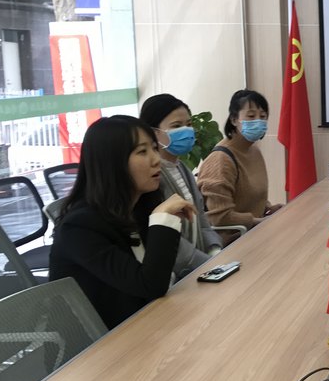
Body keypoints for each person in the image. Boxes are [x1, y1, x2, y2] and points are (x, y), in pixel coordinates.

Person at [49, 116, 195, 330]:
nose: (156, 159)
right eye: (142, 152)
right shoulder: (80, 227)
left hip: (147, 323)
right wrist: (162, 220)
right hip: (104, 342)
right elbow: (150, 285)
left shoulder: (138, 207)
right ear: (111, 163)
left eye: (155, 148)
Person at [139, 93, 222, 277]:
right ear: (153, 133)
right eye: (176, 126)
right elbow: (168, 239)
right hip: (176, 275)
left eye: (189, 124)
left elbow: (201, 220)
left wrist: (214, 250)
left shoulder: (182, 167)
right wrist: (206, 263)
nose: (187, 131)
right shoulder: (151, 178)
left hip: (199, 268)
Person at [197, 89, 282, 239]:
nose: (258, 121)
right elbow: (219, 217)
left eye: (263, 116)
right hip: (232, 241)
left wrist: (269, 209)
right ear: (234, 119)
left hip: (255, 233)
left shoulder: (254, 151)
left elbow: (247, 197)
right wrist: (258, 221)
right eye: (251, 116)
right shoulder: (220, 160)